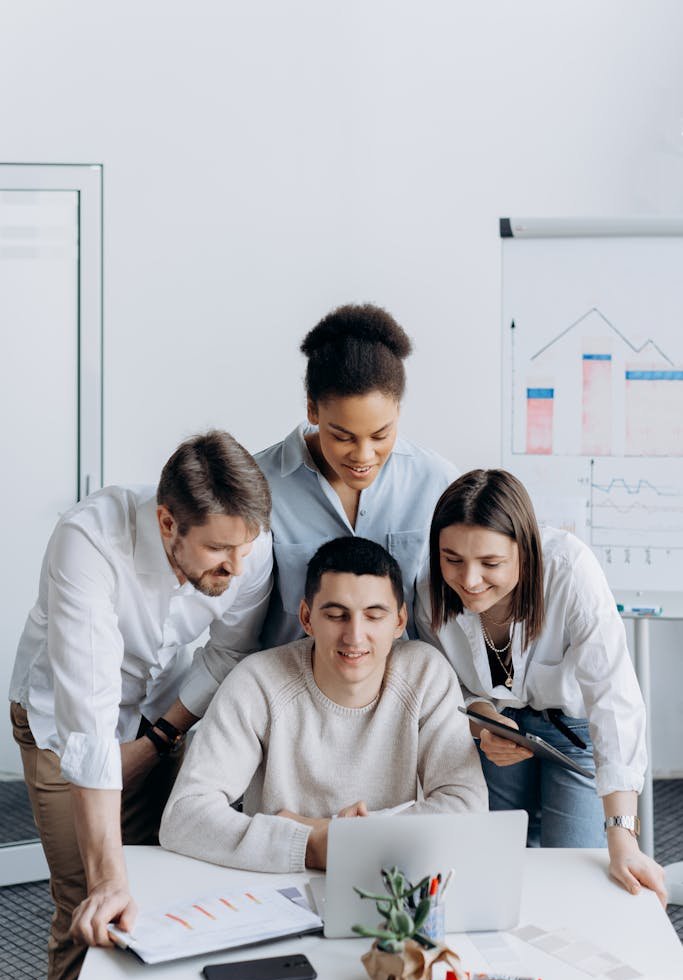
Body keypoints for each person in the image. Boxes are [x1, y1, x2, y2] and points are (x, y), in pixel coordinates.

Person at [9, 430, 273, 980]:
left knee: (164, 894)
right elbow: (89, 721)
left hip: (162, 711)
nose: (235, 566)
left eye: (245, 548)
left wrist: (156, 741)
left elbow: (228, 653)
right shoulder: (89, 543)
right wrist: (107, 879)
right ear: (166, 523)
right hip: (60, 724)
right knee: (90, 912)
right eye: (217, 551)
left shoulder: (248, 547)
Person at [415, 468, 667, 906]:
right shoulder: (428, 589)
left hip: (575, 731)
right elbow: (442, 683)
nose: (469, 580)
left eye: (490, 564)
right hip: (498, 728)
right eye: (452, 559)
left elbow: (613, 700)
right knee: (492, 864)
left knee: (575, 876)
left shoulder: (570, 571)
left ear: (525, 554)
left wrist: (623, 836)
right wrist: (483, 723)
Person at [160, 537, 487, 871]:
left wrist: (343, 834)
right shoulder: (256, 682)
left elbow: (467, 808)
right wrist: (311, 846)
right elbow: (183, 817)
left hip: (388, 882)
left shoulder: (426, 675)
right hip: (273, 889)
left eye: (374, 616)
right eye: (336, 615)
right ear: (306, 617)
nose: (355, 636)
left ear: (399, 622)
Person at [255, 303, 457, 647]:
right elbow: (237, 630)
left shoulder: (436, 482)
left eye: (380, 435)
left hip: (405, 685)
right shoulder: (260, 484)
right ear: (312, 409)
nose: (363, 456)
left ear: (399, 411)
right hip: (289, 686)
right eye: (343, 436)